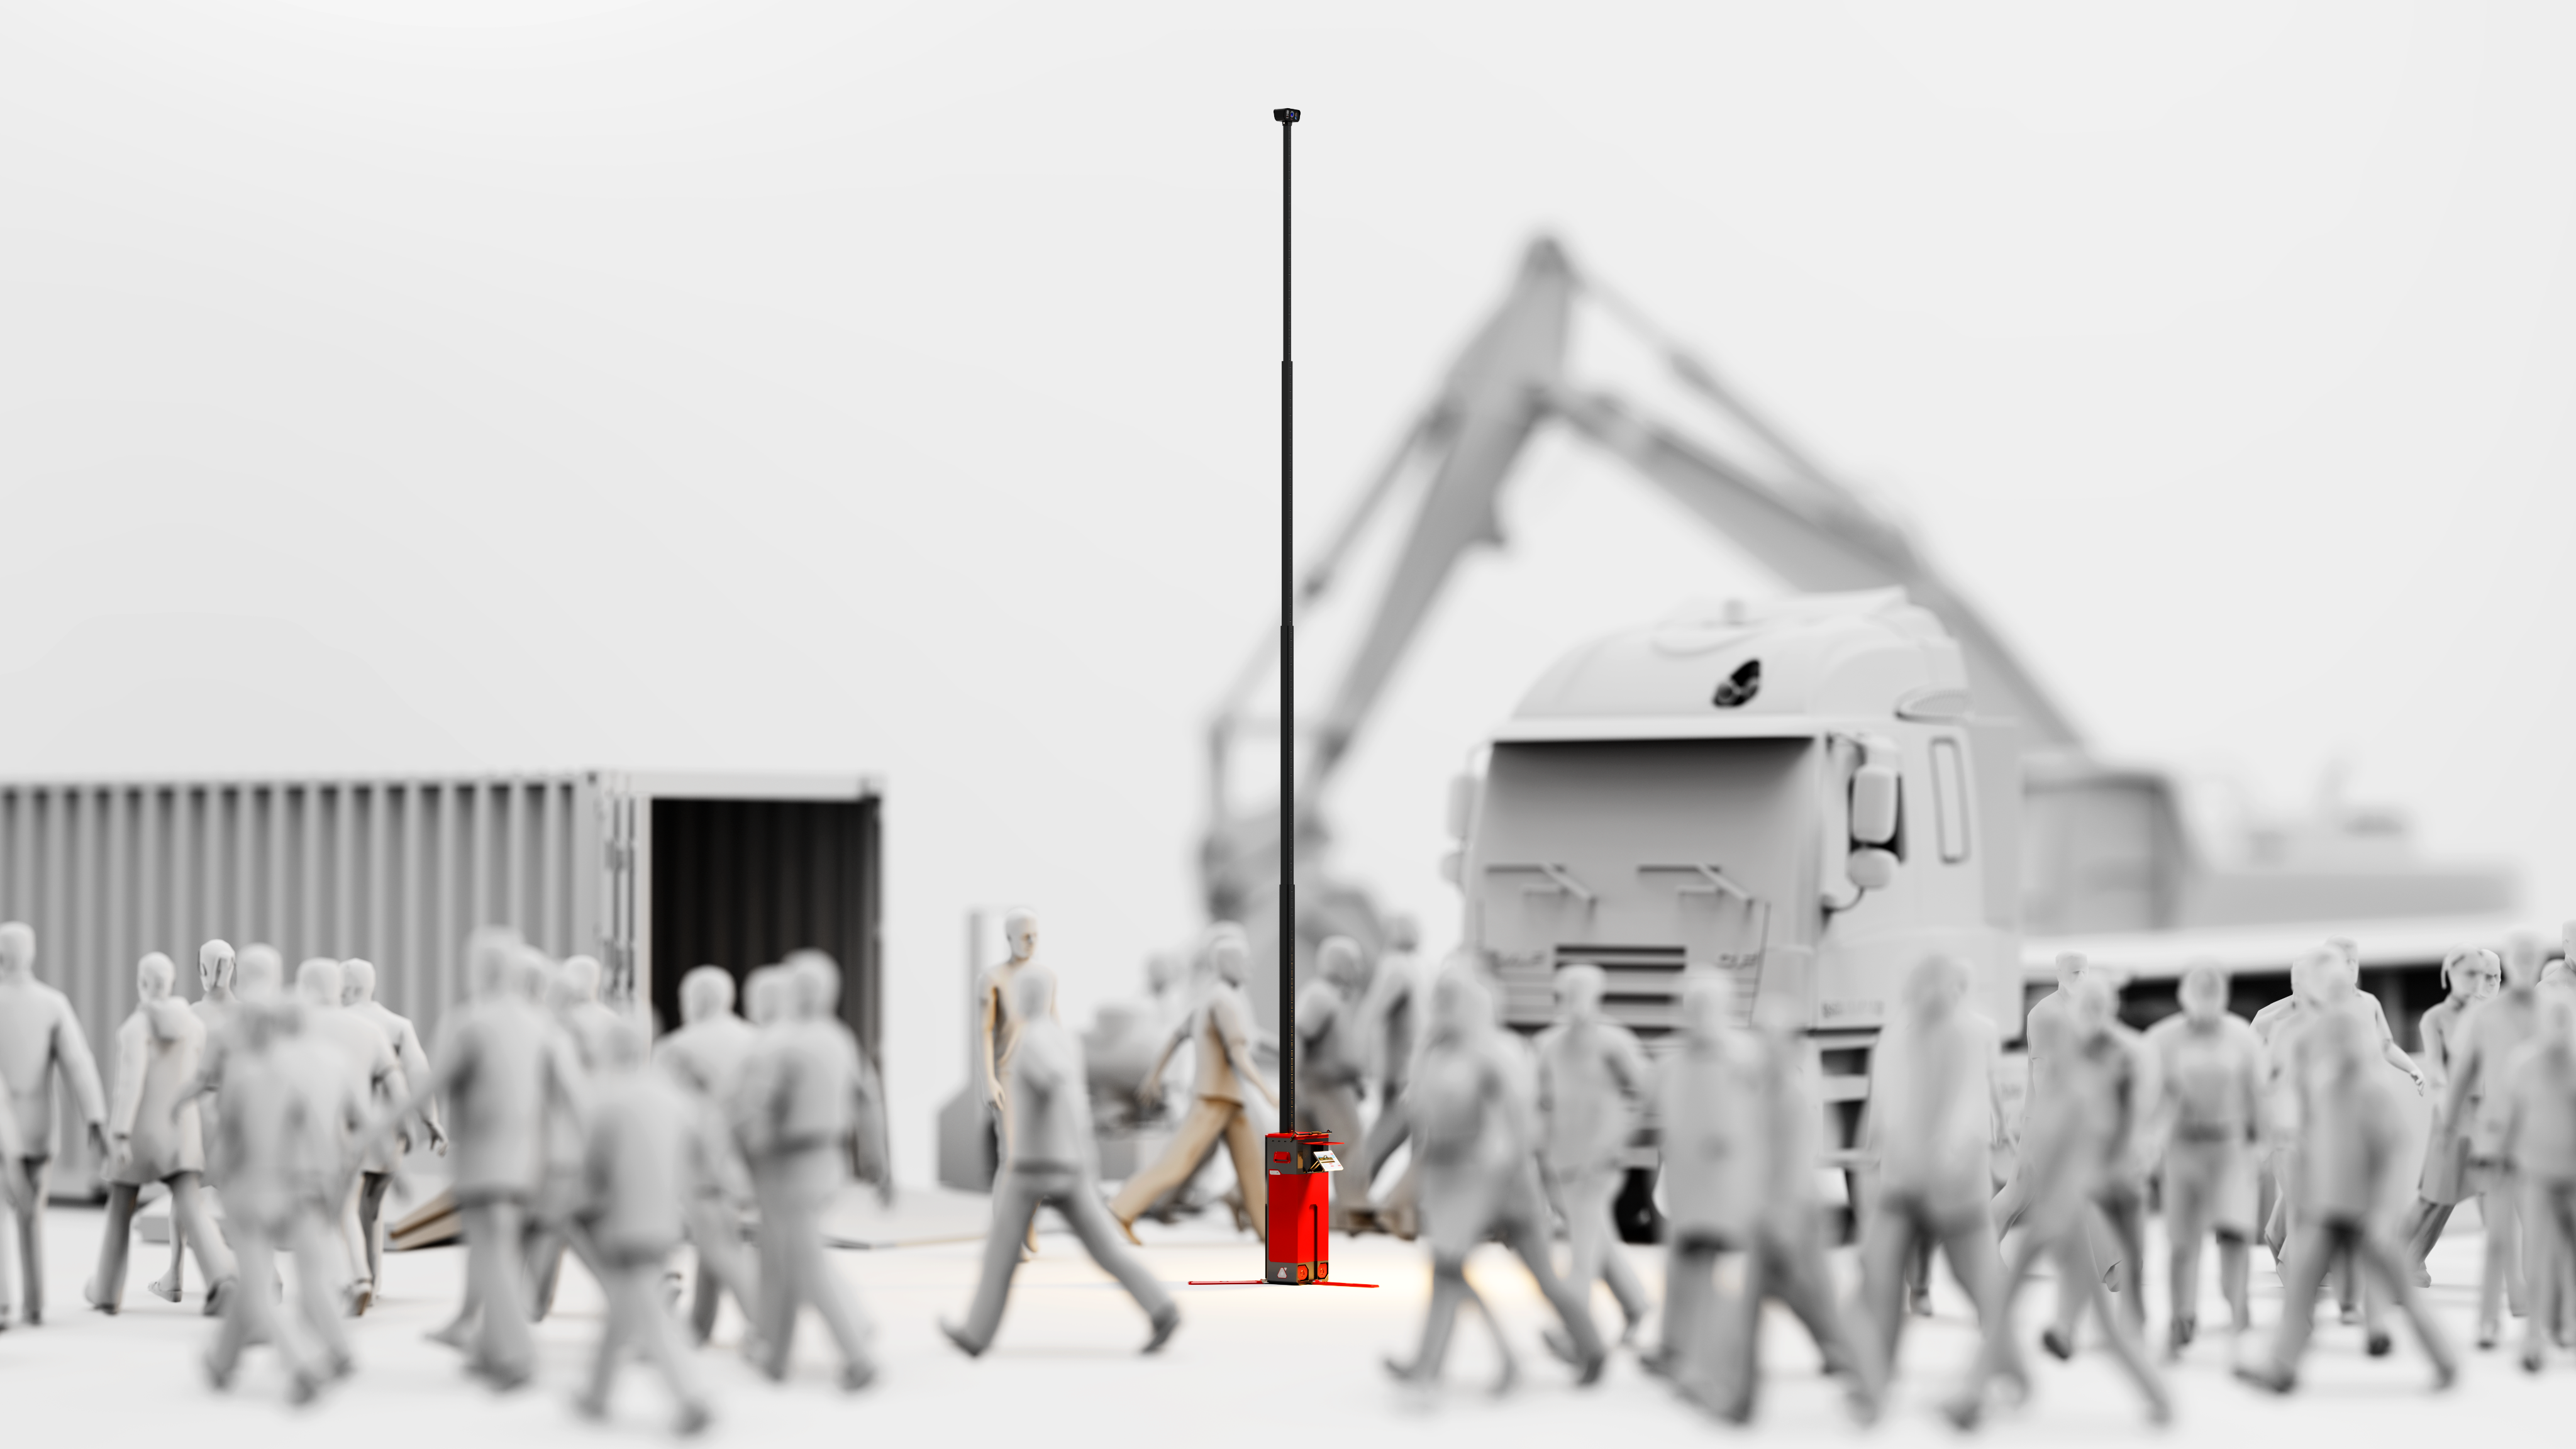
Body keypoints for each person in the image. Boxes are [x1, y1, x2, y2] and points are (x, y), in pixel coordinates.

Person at [363, 926, 587, 1388]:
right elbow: (575, 1096)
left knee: (493, 1253)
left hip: (486, 1160)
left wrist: (381, 1126)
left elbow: (428, 1085)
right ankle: (487, 1343)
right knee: (497, 1252)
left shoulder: (471, 1021)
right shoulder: (540, 1024)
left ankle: (516, 1354)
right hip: (530, 1161)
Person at [1945, 976, 2170, 1428]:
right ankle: (1973, 1394)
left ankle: (2159, 1398)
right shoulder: (2069, 1069)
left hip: (2071, 1209)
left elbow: (2110, 1142)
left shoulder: (2108, 1070)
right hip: (2058, 1207)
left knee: (2092, 1320)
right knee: (2006, 1306)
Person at [941, 963, 1179, 1357]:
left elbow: (1060, 1089)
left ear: (1028, 996)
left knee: (1000, 1252)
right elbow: (1076, 1099)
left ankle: (975, 1334)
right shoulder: (1066, 1038)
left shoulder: (1033, 1040)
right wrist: (1086, 1154)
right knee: (1106, 1248)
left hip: (1034, 1166)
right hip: (1069, 1165)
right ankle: (1162, 1308)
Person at [1385, 970, 1606, 1390]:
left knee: (1540, 1275)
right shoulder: (1434, 1055)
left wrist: (1499, 1161)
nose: (1440, 1009)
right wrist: (1408, 1182)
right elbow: (1425, 1125)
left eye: (1448, 1001)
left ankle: (1590, 1349)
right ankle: (1431, 1365)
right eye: (1438, 1000)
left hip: (1506, 1184)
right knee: (1447, 1270)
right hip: (1463, 1183)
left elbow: (1517, 1121)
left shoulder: (1494, 1052)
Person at [1679, 982, 1884, 1425]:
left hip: (1795, 1218)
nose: (1766, 1047)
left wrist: (1783, 1220)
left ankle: (1870, 1390)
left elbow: (1794, 1165)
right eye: (1762, 1037)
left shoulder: (1791, 1097)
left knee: (1823, 1311)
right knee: (1748, 1310)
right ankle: (1739, 1400)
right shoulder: (1759, 1091)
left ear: (1788, 1045)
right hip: (1765, 1216)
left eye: (1775, 1039)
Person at [2236, 1008, 2458, 1393]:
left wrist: (2384, 1214)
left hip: (2366, 1216)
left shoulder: (2373, 1093)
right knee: (2300, 1292)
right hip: (2326, 1213)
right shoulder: (2322, 1090)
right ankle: (2281, 1366)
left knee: (2403, 1291)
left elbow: (2394, 1157)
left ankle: (2446, 1361)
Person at [731, 953, 883, 1389]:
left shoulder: (785, 1043)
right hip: (828, 1160)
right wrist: (878, 1161)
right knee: (779, 1259)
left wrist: (744, 1158)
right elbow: (866, 1100)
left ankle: (857, 1356)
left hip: (788, 1164)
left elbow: (756, 1111)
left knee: (803, 1262)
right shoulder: (839, 1038)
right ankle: (774, 1355)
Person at [1855, 955, 2008, 1374]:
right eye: (1920, 986)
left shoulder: (1966, 1035)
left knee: (1972, 1275)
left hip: (1954, 1180)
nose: (1928, 995)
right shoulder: (1895, 1038)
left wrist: (1958, 1149)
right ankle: (1875, 1374)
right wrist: (1872, 1152)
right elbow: (1884, 1102)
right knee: (1879, 1269)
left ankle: (2011, 1362)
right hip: (1903, 1179)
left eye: (1938, 987)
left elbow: (1966, 1101)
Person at [201, 999, 358, 1402]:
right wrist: (327, 1186)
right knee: (262, 1278)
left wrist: (211, 1179)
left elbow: (227, 1141)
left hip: (247, 1189)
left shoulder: (239, 1072)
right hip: (286, 1190)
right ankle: (221, 1362)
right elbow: (316, 1138)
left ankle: (302, 1364)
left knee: (255, 1284)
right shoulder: (291, 1076)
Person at [573, 1019, 715, 1435]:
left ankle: (691, 1399)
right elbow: (703, 1158)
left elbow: (591, 1168)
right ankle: (596, 1396)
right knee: (622, 1309)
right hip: (665, 1218)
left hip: (623, 1219)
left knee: (646, 1311)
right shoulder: (676, 1099)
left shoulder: (605, 1100)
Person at [86, 952, 238, 1316]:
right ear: (171, 984)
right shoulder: (194, 1026)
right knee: (191, 1206)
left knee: (121, 1207)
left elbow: (130, 1084)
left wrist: (119, 1133)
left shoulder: (135, 1028)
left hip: (141, 1131)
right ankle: (222, 1279)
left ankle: (107, 1290)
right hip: (182, 1129)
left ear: (142, 984)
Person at [1110, 924, 1277, 1243]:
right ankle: (1120, 1211)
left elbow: (1178, 1035)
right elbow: (1240, 1053)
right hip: (1213, 1100)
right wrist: (1268, 1092)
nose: (1251, 967)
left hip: (1231, 1099)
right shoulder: (1223, 1002)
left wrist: (1154, 1075)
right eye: (1245, 961)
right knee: (1176, 1163)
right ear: (1227, 964)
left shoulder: (1214, 998)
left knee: (1254, 1165)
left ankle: (1267, 1229)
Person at [2143, 961, 2264, 1353]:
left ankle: (2237, 1312)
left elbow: (2258, 1094)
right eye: (2199, 992)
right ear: (2185, 996)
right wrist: (2148, 1143)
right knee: (2182, 1239)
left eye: (2214, 993)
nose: (2207, 1002)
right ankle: (2182, 1316)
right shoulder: (2163, 1039)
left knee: (2233, 1233)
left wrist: (2263, 1144)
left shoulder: (2241, 1036)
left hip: (2229, 1145)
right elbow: (2152, 1098)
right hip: (2181, 1147)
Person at [0, 920, 108, 1328]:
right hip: (39, 1131)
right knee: (32, 1215)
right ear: (30, 954)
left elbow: (78, 1064)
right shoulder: (51, 1002)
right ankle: (35, 1304)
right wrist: (95, 1118)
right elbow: (78, 1064)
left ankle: (5, 1302)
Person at [1536, 963, 1650, 1343]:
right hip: (1560, 1161)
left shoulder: (1613, 1042)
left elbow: (1644, 1092)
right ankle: (1636, 1304)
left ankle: (1574, 1330)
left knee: (1582, 1249)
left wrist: (1617, 1138)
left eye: (1582, 994)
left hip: (1599, 1164)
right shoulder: (1548, 1045)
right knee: (1595, 1237)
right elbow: (1536, 1100)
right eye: (1569, 995)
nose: (1576, 1003)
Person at [2442, 933, 2548, 1346]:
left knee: (2543, 1229)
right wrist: (2447, 1127)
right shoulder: (2484, 1018)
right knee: (2500, 1230)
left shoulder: (2557, 1008)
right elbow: (2462, 1074)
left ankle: (2539, 1309)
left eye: (2528, 958)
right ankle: (2491, 1317)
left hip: (2542, 1135)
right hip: (2496, 1136)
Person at [654, 964, 761, 1345]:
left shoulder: (676, 1048)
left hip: (702, 1164)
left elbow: (662, 1113)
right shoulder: (756, 1039)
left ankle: (762, 1324)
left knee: (719, 1244)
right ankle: (700, 1324)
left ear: (695, 1000)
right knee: (715, 1238)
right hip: (748, 1163)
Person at [341, 957, 445, 1301]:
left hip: (349, 1132)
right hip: (389, 1135)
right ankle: (373, 1278)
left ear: (345, 986)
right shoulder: (398, 1026)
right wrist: (432, 1122)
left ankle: (359, 1278)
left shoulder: (337, 1024)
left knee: (348, 1208)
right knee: (372, 1208)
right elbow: (418, 1076)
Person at [2402, 946, 2501, 1281]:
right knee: (2437, 1197)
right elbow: (2439, 1072)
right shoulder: (2440, 1018)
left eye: (2494, 978)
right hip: (2455, 1116)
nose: (2487, 984)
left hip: (2493, 1118)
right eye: (2479, 976)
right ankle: (2399, 1256)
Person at [2499, 991, 2576, 1373]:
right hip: (2536, 1174)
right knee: (2539, 1257)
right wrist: (2503, 1157)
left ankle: (2567, 1328)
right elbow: (2512, 1116)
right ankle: (2533, 1338)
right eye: (2554, 1019)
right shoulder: (2523, 1064)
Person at [1989, 952, 2087, 1236]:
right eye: (2073, 972)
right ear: (2058, 973)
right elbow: (2043, 1071)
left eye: (2083, 972)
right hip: (2044, 1118)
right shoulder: (2044, 1013)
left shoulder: (2081, 1009)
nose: (2079, 979)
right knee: (2019, 1189)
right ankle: (1985, 1248)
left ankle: (2112, 1267)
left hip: (2071, 1116)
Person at [977, 909, 1053, 1253]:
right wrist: (988, 1079)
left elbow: (1054, 1026)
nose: (1031, 942)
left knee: (1042, 1157)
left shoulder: (1045, 977)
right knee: (1010, 1158)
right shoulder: (992, 979)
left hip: (1039, 1076)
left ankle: (1028, 1224)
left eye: (1035, 935)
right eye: (1024, 936)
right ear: (1008, 939)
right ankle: (1006, 1238)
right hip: (1008, 1075)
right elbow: (985, 1031)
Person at [1297, 936, 1375, 1231]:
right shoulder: (1321, 996)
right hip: (1324, 1088)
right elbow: (1298, 1038)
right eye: (1353, 962)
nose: (1358, 968)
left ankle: (1321, 1208)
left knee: (1311, 1153)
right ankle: (1353, 1207)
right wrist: (1296, 1086)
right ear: (1337, 964)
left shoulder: (1333, 997)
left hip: (1332, 1086)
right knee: (1348, 1147)